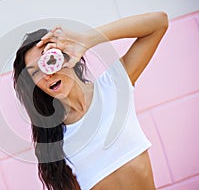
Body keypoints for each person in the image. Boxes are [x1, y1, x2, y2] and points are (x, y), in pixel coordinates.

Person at [13, 12, 168, 190]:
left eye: (49, 61)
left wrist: (87, 39)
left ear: (66, 55)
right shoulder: (54, 139)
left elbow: (159, 23)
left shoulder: (113, 87)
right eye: (35, 72)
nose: (46, 75)